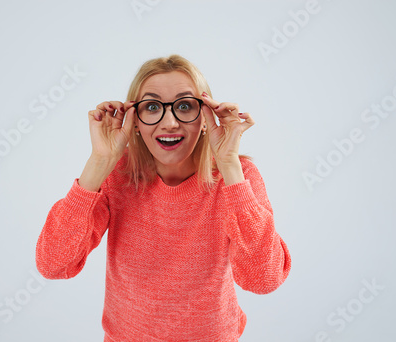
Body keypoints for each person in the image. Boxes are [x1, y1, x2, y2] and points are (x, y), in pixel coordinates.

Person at [35, 54, 291, 341]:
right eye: (152, 107)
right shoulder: (116, 173)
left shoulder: (239, 177)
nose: (169, 122)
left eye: (184, 106)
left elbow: (263, 279)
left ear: (206, 118)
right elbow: (54, 264)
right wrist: (99, 163)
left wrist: (229, 165)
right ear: (134, 121)